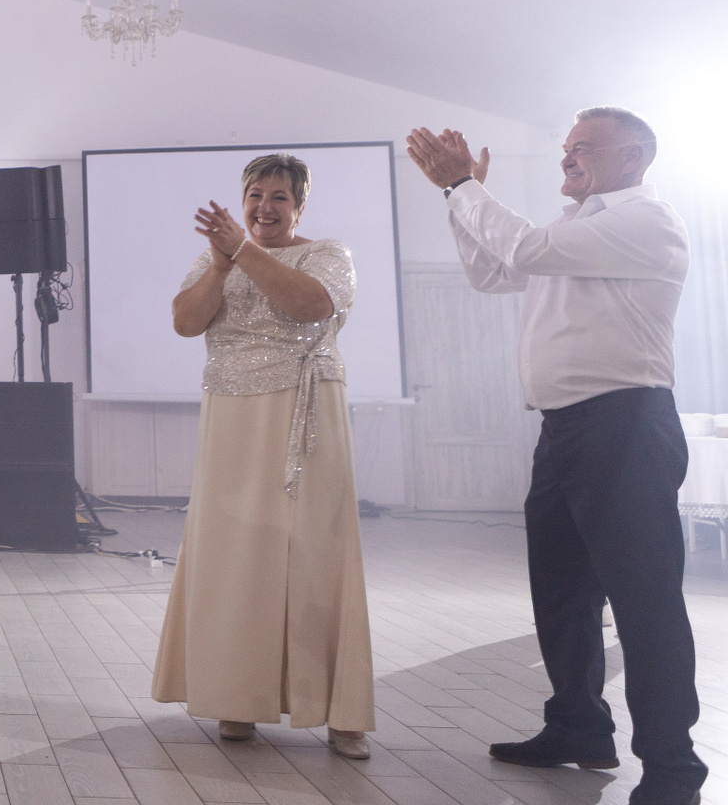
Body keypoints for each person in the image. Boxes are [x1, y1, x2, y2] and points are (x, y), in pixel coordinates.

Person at [407, 110, 705, 805]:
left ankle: (673, 769)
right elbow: (492, 272)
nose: (567, 158)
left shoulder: (645, 220)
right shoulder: (575, 229)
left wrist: (464, 187)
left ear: (633, 157)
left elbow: (527, 248)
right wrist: (457, 195)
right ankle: (578, 726)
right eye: (566, 148)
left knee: (644, 601)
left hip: (627, 425)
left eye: (583, 147)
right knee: (563, 591)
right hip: (566, 428)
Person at [151, 153, 374, 759]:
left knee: (315, 549)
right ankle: (236, 696)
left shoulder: (328, 253)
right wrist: (222, 264)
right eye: (255, 195)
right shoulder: (217, 259)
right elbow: (185, 322)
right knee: (234, 552)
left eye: (279, 197)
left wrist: (242, 252)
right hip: (231, 416)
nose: (264, 207)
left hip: (304, 415)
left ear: (299, 206)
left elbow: (310, 305)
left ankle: (341, 712)